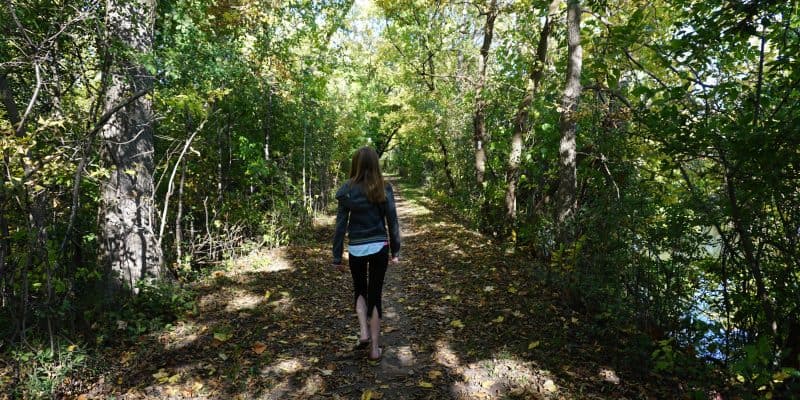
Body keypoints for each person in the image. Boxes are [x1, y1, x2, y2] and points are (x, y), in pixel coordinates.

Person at [332, 146, 401, 363]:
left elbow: (340, 226)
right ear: (375, 164)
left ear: (356, 165)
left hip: (356, 248)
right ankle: (374, 348)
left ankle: (363, 331)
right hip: (379, 247)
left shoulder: (346, 190)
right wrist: (396, 250)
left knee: (359, 289)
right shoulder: (384, 188)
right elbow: (392, 221)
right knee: (375, 294)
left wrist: (336, 256)